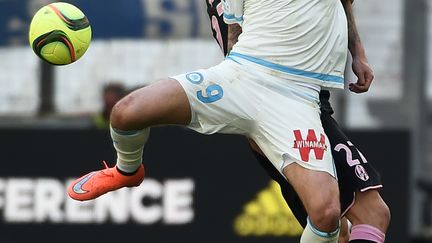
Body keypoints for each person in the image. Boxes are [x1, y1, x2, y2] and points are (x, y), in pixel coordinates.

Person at [69, 0, 361, 242]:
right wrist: (231, 87)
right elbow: (234, 30)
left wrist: (357, 53)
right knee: (125, 112)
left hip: (297, 98)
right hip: (242, 74)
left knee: (326, 212)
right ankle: (127, 170)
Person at [206, 0, 390, 242]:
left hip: (287, 106)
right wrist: (357, 52)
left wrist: (357, 52)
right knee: (371, 213)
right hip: (290, 108)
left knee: (340, 232)